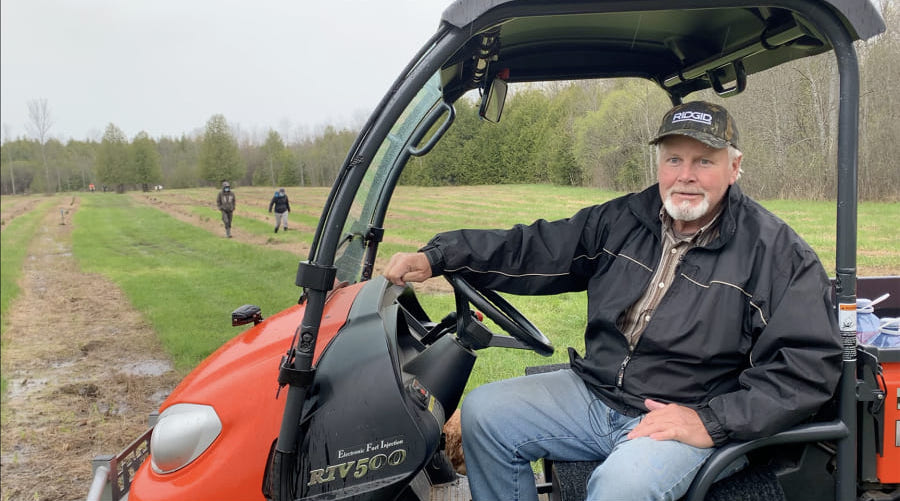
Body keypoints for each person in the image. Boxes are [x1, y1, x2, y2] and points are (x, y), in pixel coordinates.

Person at [383, 101, 840, 501]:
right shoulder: (625, 219)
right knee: (485, 415)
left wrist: (711, 423)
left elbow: (806, 365)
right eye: (674, 158)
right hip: (597, 391)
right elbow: (536, 246)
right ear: (659, 164)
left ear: (734, 168)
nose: (685, 175)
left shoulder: (777, 254)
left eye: (704, 161)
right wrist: (440, 257)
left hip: (684, 413)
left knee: (621, 488)